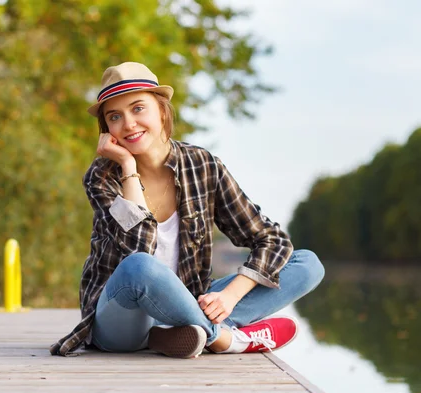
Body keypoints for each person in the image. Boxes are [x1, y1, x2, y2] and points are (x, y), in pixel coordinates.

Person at [50, 62, 324, 358]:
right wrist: (128, 167)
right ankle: (224, 338)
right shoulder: (101, 178)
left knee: (307, 265)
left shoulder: (203, 166)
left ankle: (183, 331)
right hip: (120, 318)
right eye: (115, 117)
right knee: (140, 266)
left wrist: (229, 297)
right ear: (108, 129)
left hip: (186, 303)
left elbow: (271, 240)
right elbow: (135, 250)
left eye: (138, 108)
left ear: (162, 110)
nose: (128, 124)